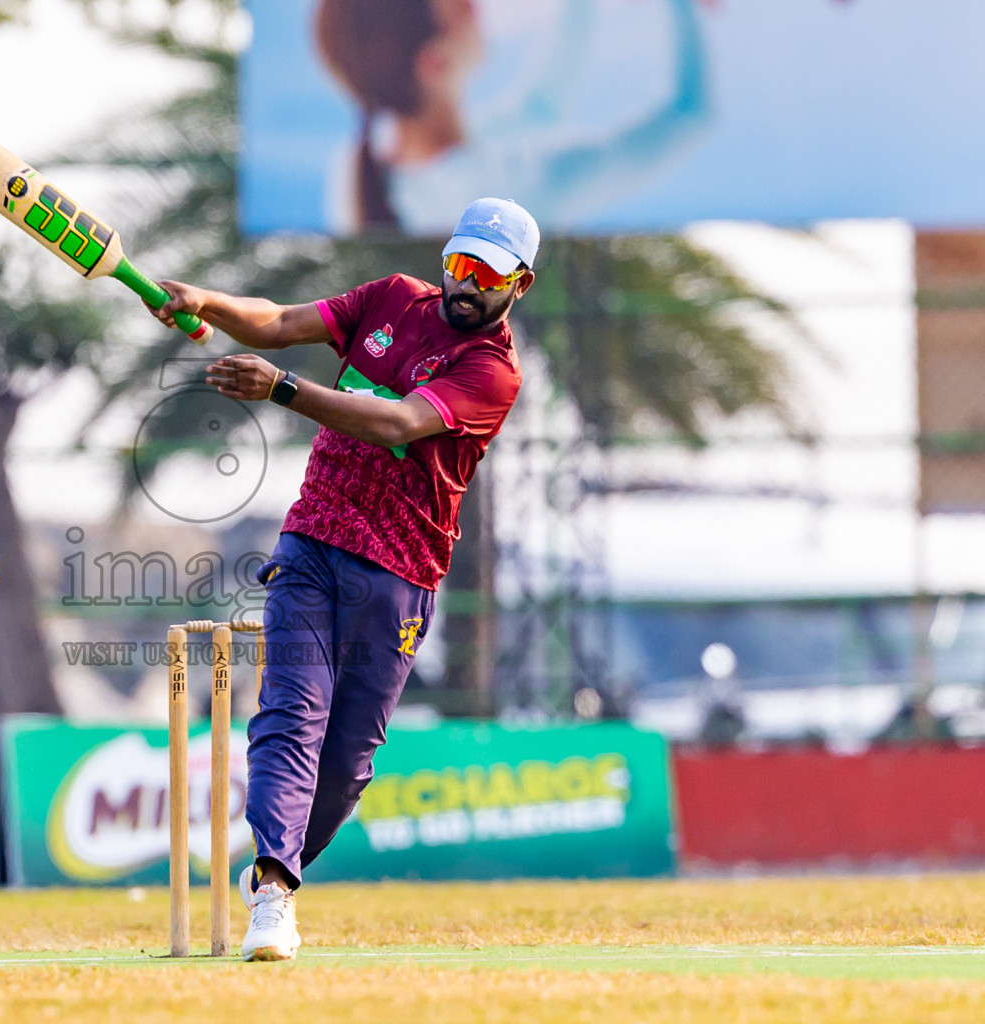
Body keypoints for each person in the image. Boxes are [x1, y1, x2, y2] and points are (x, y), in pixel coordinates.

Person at [149, 197, 537, 961]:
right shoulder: (391, 299)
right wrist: (207, 303)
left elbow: (397, 424)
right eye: (460, 264)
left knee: (349, 764)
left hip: (400, 570)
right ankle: (273, 890)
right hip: (312, 542)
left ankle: (278, 867)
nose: (466, 285)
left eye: (487, 275)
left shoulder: (492, 371)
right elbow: (278, 322)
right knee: (292, 713)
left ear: (518, 285)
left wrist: (282, 391)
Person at [316, 0, 707, 234]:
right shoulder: (516, 196)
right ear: (436, 62)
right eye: (463, 4)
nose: (478, 6)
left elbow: (542, 108)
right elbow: (692, 115)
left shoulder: (356, 174)